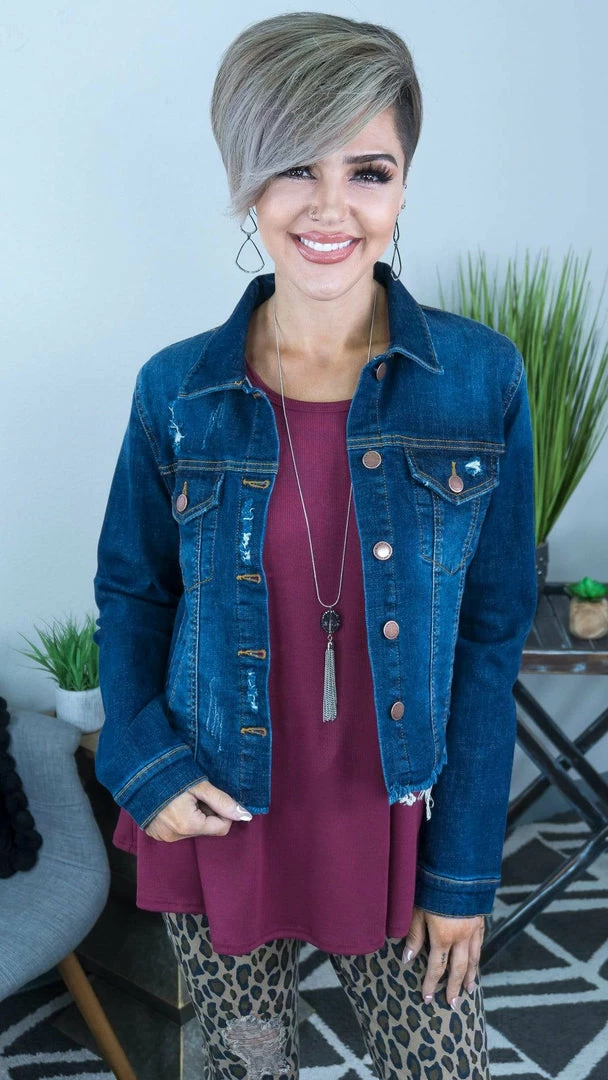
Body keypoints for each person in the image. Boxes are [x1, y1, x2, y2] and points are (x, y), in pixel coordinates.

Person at [92, 12, 538, 1079]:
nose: (331, 206)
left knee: (440, 1066)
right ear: (247, 183)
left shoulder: (480, 381)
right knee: (250, 1066)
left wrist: (462, 872)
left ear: (402, 187)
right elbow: (133, 593)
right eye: (295, 166)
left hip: (393, 818)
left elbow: (490, 639)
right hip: (217, 813)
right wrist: (142, 765)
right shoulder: (176, 390)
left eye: (367, 171)